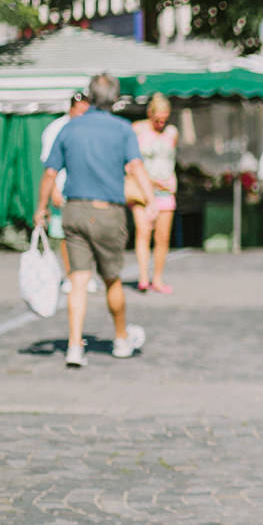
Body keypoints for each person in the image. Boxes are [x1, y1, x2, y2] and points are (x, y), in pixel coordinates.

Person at [33, 74, 156, 368]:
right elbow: (136, 167)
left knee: (78, 280)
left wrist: (41, 208)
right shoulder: (122, 130)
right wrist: (151, 201)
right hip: (107, 212)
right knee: (112, 279)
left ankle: (75, 346)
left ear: (89, 95)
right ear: (114, 98)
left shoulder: (69, 128)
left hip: (73, 211)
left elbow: (50, 173)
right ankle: (121, 338)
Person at [39, 90, 92, 290]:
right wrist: (53, 191)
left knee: (86, 234)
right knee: (65, 235)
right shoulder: (56, 129)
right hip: (63, 189)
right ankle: (71, 275)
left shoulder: (89, 128)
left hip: (85, 190)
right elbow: (49, 167)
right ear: (71, 109)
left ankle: (85, 274)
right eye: (80, 111)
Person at [132, 93, 180, 293]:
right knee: (143, 232)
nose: (161, 123)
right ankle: (143, 277)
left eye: (164, 119)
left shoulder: (172, 132)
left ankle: (157, 279)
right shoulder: (137, 129)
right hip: (143, 190)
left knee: (162, 237)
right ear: (150, 114)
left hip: (166, 191)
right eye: (157, 119)